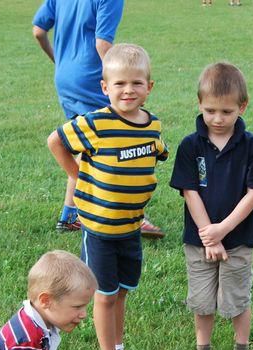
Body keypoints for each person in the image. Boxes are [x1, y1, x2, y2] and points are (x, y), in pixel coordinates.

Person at [47, 44, 168, 350]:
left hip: (131, 227)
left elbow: (157, 154)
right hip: (100, 229)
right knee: (104, 295)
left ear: (149, 86)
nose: (128, 90)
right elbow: (56, 141)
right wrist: (76, 175)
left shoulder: (151, 126)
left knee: (122, 292)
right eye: (119, 84)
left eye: (136, 83)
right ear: (105, 87)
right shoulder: (96, 123)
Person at [32, 0, 164, 238]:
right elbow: (102, 43)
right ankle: (122, 210)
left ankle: (71, 214)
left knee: (87, 140)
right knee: (113, 137)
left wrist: (61, 62)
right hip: (93, 78)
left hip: (65, 77)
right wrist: (124, 83)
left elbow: (38, 31)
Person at [170, 63, 253, 350]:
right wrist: (209, 235)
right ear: (199, 104)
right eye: (210, 111)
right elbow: (189, 191)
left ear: (242, 106)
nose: (218, 118)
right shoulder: (190, 146)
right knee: (201, 299)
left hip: (238, 239)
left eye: (226, 111)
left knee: (237, 298)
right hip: (199, 241)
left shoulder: (252, 146)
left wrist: (222, 230)